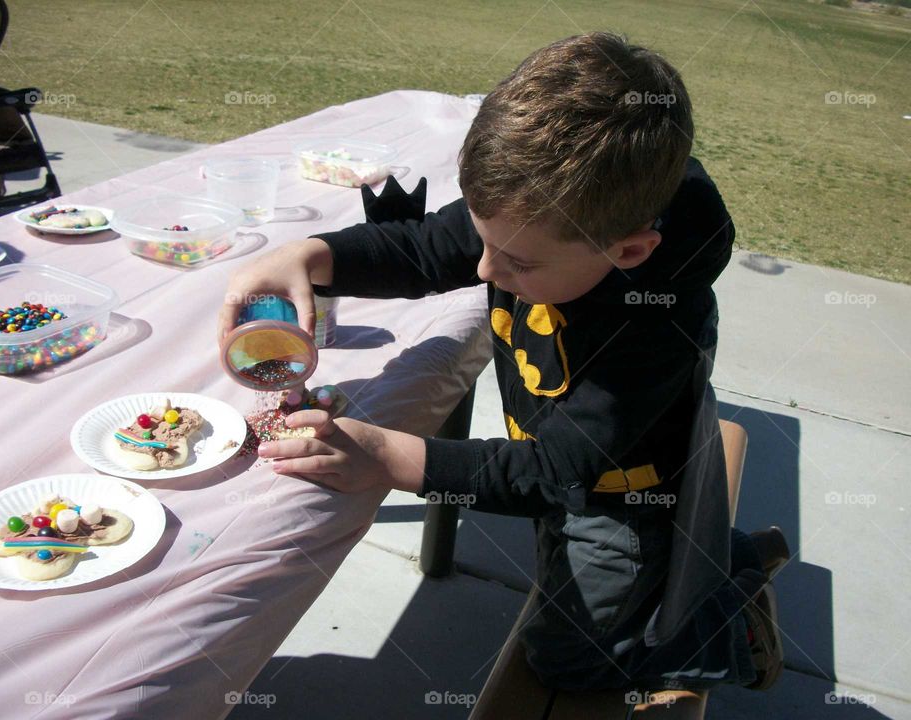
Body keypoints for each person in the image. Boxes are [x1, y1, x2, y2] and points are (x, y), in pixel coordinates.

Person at [218, 32, 789, 693]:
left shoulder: (650, 327)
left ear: (629, 253)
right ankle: (722, 555)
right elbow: (425, 249)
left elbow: (557, 472)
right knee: (557, 563)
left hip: (618, 499)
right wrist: (309, 258)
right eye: (487, 243)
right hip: (557, 461)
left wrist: (385, 457)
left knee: (565, 662)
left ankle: (720, 622)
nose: (486, 269)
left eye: (516, 262)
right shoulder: (543, 214)